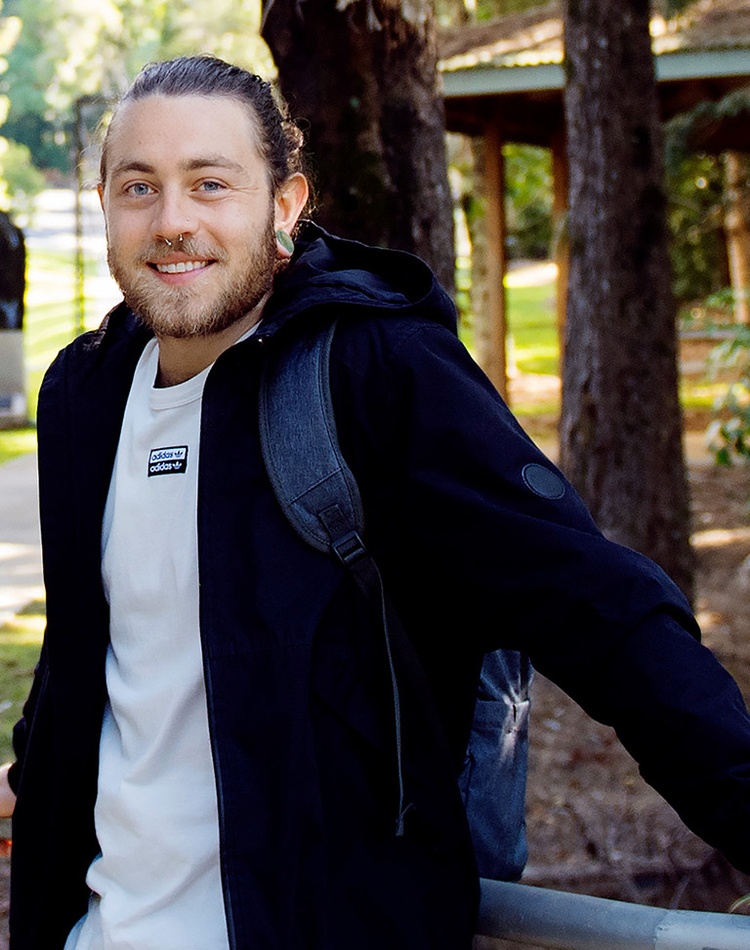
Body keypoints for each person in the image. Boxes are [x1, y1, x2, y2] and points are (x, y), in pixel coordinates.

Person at [3, 53, 750, 950]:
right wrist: (38, 771)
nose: (173, 222)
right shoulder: (83, 393)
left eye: (211, 183)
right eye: (139, 187)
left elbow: (603, 615)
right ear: (104, 204)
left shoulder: (383, 376)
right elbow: (94, 648)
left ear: (284, 205)